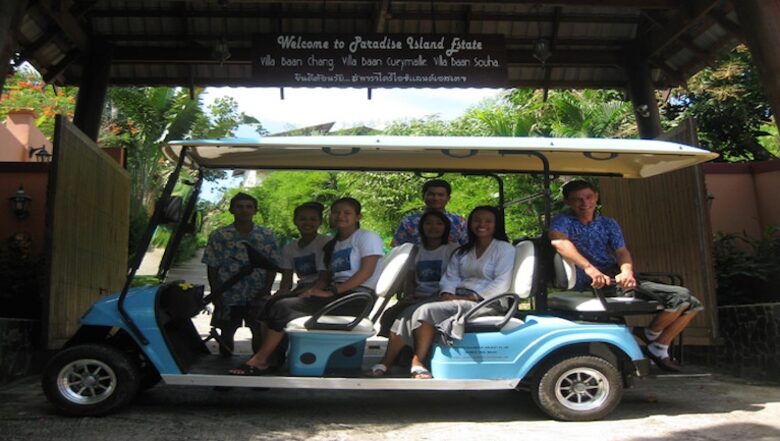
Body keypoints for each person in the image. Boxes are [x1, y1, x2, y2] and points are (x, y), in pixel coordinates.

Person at [548, 179, 703, 372]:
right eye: (577, 199)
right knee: (680, 296)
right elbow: (560, 243)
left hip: (615, 276)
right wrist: (590, 269)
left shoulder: (608, 223)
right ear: (568, 202)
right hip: (595, 282)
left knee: (693, 303)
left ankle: (656, 341)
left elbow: (621, 251)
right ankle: (655, 341)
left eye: (588, 197)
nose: (584, 203)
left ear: (596, 197)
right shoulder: (562, 221)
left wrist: (627, 271)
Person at [229, 197, 384, 375]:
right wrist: (312, 290)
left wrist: (332, 291)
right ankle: (270, 359)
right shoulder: (333, 245)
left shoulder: (366, 237)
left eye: (347, 213)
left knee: (283, 308)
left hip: (356, 298)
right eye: (336, 212)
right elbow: (325, 277)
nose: (340, 216)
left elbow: (366, 272)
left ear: (358, 216)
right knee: (272, 304)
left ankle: (261, 360)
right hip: (337, 294)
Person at [399, 206, 515, 379]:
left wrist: (468, 297)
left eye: (488, 221)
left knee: (426, 311)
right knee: (407, 311)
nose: (481, 224)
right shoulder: (463, 250)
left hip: (487, 301)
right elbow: (451, 276)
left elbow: (501, 283)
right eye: (477, 220)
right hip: (458, 297)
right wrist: (446, 292)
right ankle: (389, 362)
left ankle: (418, 362)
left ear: (496, 224)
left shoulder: (504, 249)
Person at [367, 210, 459, 377]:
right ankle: (401, 357)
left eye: (438, 224)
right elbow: (410, 278)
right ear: (421, 227)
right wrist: (409, 295)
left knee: (407, 315)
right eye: (429, 223)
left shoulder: (452, 249)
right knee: (390, 314)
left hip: (439, 297)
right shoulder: (416, 250)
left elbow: (454, 278)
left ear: (446, 228)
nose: (433, 227)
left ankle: (406, 361)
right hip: (419, 296)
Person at [202, 192, 279, 355]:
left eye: (249, 207)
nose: (244, 210)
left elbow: (273, 265)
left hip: (257, 292)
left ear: (255, 210)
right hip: (228, 292)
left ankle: (256, 366)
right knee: (226, 331)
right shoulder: (219, 235)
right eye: (239, 206)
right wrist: (216, 292)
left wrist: (266, 289)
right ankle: (223, 368)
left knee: (258, 330)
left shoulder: (267, 236)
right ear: (231, 210)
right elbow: (212, 265)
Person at [391, 179, 468, 246]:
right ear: (423, 196)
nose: (436, 198)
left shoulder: (459, 222)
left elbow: (469, 249)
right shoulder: (408, 223)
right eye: (431, 194)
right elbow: (397, 250)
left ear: (448, 198)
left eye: (440, 195)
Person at [276, 202, 331, 296]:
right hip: (302, 288)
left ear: (320, 222)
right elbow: (286, 281)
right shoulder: (289, 249)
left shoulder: (327, 243)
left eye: (313, 219)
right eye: (302, 219)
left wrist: (308, 292)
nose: (308, 223)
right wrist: (280, 294)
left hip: (324, 289)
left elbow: (325, 278)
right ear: (295, 221)